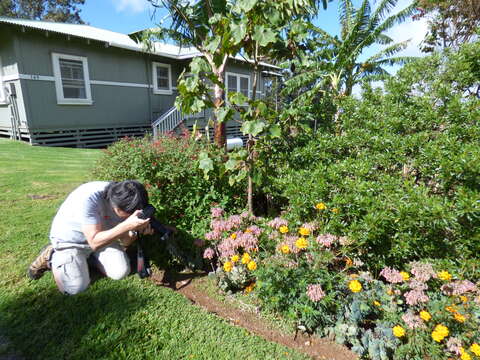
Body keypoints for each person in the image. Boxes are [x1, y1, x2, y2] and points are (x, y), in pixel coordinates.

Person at [27, 180, 153, 295]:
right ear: (116, 206)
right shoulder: (89, 198)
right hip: (72, 241)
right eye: (129, 213)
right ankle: (51, 255)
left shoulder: (127, 198)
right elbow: (94, 241)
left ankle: (84, 261)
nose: (133, 215)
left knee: (120, 272)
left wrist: (134, 232)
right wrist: (126, 225)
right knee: (74, 289)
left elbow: (125, 241)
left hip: (101, 237)